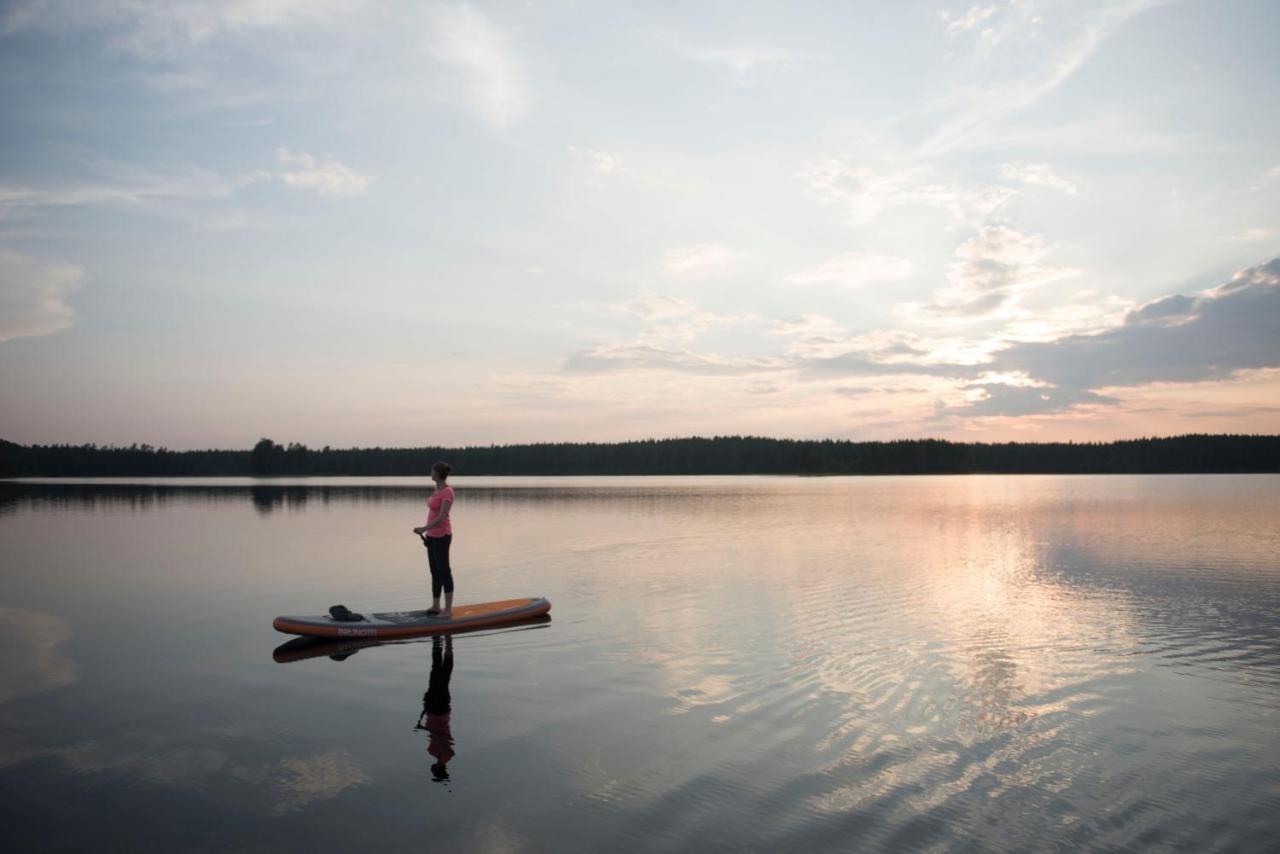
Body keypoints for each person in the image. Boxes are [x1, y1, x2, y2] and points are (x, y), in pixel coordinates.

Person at [413, 462, 455, 617]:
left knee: (444, 571)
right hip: (431, 536)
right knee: (434, 571)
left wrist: (424, 528)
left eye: (431, 470)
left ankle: (448, 609)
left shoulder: (447, 492)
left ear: (436, 473)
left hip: (443, 536)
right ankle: (436, 606)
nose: (429, 472)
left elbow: (442, 516)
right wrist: (426, 531)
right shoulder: (436, 490)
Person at [414, 635, 455, 783]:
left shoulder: (432, 752)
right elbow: (440, 737)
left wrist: (424, 709)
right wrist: (424, 729)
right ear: (437, 769)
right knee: (444, 677)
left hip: (432, 710)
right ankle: (448, 644)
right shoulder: (447, 755)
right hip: (441, 710)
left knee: (436, 672)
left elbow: (435, 735)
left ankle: (437, 642)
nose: (431, 769)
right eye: (434, 771)